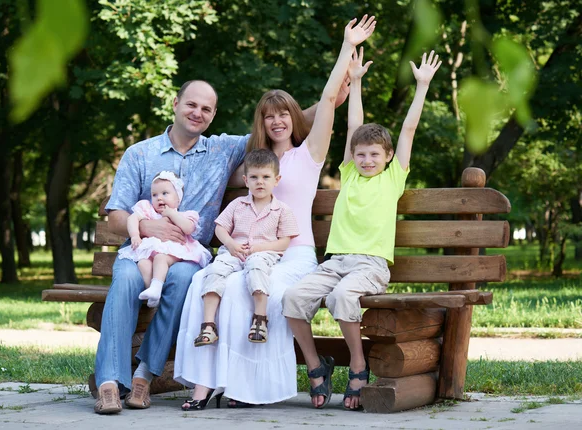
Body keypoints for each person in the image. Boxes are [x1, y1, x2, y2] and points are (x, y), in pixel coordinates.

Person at [174, 15, 377, 410]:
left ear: (295, 118)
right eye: (270, 115)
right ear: (262, 123)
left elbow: (329, 95)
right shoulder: (255, 164)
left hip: (296, 255)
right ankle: (212, 383)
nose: (278, 120)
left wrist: (346, 46)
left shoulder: (310, 154)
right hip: (249, 253)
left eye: (284, 113)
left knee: (259, 292)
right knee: (213, 285)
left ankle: (252, 389)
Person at [282, 49, 442, 410]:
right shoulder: (350, 172)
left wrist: (422, 86)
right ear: (352, 157)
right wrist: (354, 81)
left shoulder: (393, 178)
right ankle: (315, 364)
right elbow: (354, 125)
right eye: (361, 154)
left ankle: (357, 362)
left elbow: (409, 129)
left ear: (387, 157)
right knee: (292, 299)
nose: (367, 160)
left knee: (342, 298)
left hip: (370, 265)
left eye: (374, 154)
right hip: (335, 263)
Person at [93, 79, 250, 414]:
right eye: (192, 104)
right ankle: (108, 383)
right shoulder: (140, 153)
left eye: (206, 109)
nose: (198, 113)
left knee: (182, 281)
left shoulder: (222, 150)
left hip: (187, 255)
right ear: (176, 103)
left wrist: (336, 91)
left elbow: (279, 121)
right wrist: (149, 225)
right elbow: (115, 217)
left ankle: (143, 377)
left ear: (213, 115)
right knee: (125, 282)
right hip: (139, 251)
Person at [193, 149, 299, 356]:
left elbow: (285, 242)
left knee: (256, 266)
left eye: (266, 177)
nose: (260, 182)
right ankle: (208, 325)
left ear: (276, 180)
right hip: (235, 251)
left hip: (263, 253)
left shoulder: (281, 210)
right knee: (215, 269)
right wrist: (231, 244)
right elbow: (220, 228)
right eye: (254, 177)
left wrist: (261, 248)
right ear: (245, 180)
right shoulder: (237, 205)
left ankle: (260, 319)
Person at [117, 171, 212, 308]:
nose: (159, 198)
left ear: (178, 199)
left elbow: (188, 229)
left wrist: (172, 214)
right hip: (151, 252)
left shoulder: (185, 215)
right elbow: (132, 218)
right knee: (143, 263)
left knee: (160, 258)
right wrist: (135, 235)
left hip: (174, 252)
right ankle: (153, 294)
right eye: (154, 195)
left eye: (165, 193)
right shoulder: (148, 211)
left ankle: (156, 287)